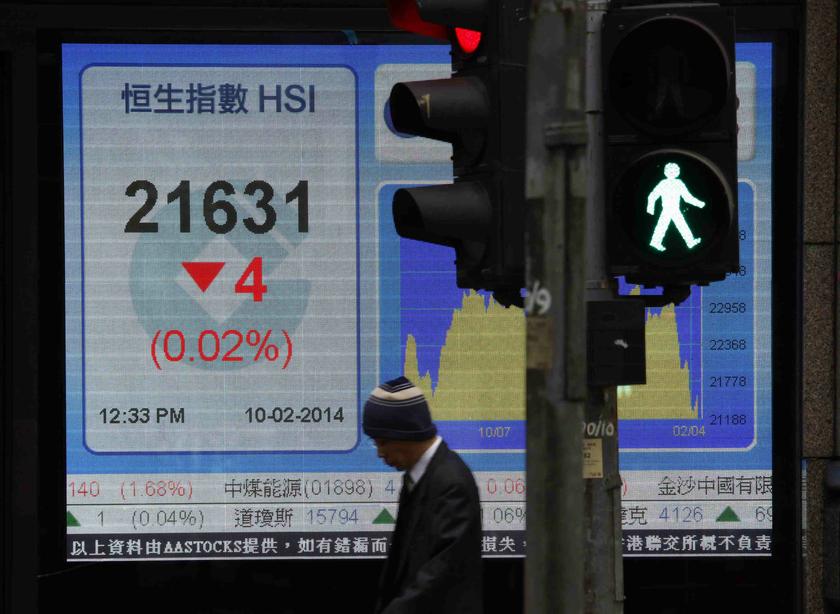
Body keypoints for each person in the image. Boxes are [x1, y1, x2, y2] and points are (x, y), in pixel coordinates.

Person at [363, 376, 483, 614]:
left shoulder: (451, 483)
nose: (380, 453)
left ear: (405, 434)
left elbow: (442, 572)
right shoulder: (419, 477)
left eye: (383, 442)